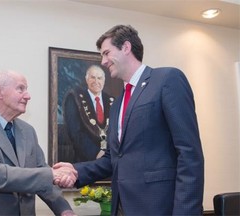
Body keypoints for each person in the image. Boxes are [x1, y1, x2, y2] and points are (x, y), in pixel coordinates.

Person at [54, 25, 205, 215]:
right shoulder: (117, 104)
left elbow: (189, 153)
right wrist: (76, 171)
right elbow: (113, 159)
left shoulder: (167, 79)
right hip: (123, 207)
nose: (104, 61)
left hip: (160, 207)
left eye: (107, 53)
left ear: (126, 47)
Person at [0, 70, 77, 216]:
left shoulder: (27, 131)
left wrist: (64, 209)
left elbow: (40, 173)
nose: (28, 96)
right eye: (21, 88)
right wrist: (52, 174)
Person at [62, 65, 114, 162]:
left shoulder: (112, 101)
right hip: (85, 162)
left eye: (99, 78)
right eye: (92, 77)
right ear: (86, 79)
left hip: (110, 161)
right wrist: (96, 153)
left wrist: (109, 154)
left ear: (104, 80)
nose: (96, 81)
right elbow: (75, 132)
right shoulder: (74, 98)